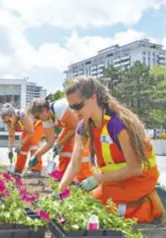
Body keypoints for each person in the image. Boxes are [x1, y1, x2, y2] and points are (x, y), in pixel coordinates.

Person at [59, 76, 166, 223]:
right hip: (115, 178)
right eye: (72, 108)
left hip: (140, 177)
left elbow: (135, 168)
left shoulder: (118, 124)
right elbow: (74, 164)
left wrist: (97, 179)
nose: (75, 112)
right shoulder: (82, 126)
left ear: (93, 98)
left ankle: (153, 204)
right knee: (87, 206)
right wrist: (59, 191)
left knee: (100, 209)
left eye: (78, 106)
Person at [27, 98, 93, 182]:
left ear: (44, 110)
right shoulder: (46, 119)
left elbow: (76, 127)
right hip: (73, 126)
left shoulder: (59, 108)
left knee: (81, 150)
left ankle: (85, 179)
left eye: (37, 116)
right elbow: (50, 142)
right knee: (63, 147)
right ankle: (65, 175)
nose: (37, 119)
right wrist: (36, 155)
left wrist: (59, 143)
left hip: (84, 124)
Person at [1, 103, 45, 176]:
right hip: (29, 129)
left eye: (8, 121)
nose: (7, 123)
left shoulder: (23, 116)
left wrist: (21, 144)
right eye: (5, 122)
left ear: (13, 115)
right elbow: (11, 136)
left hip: (38, 125)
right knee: (23, 147)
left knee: (32, 142)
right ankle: (18, 169)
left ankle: (36, 170)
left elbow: (31, 132)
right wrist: (10, 149)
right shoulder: (10, 123)